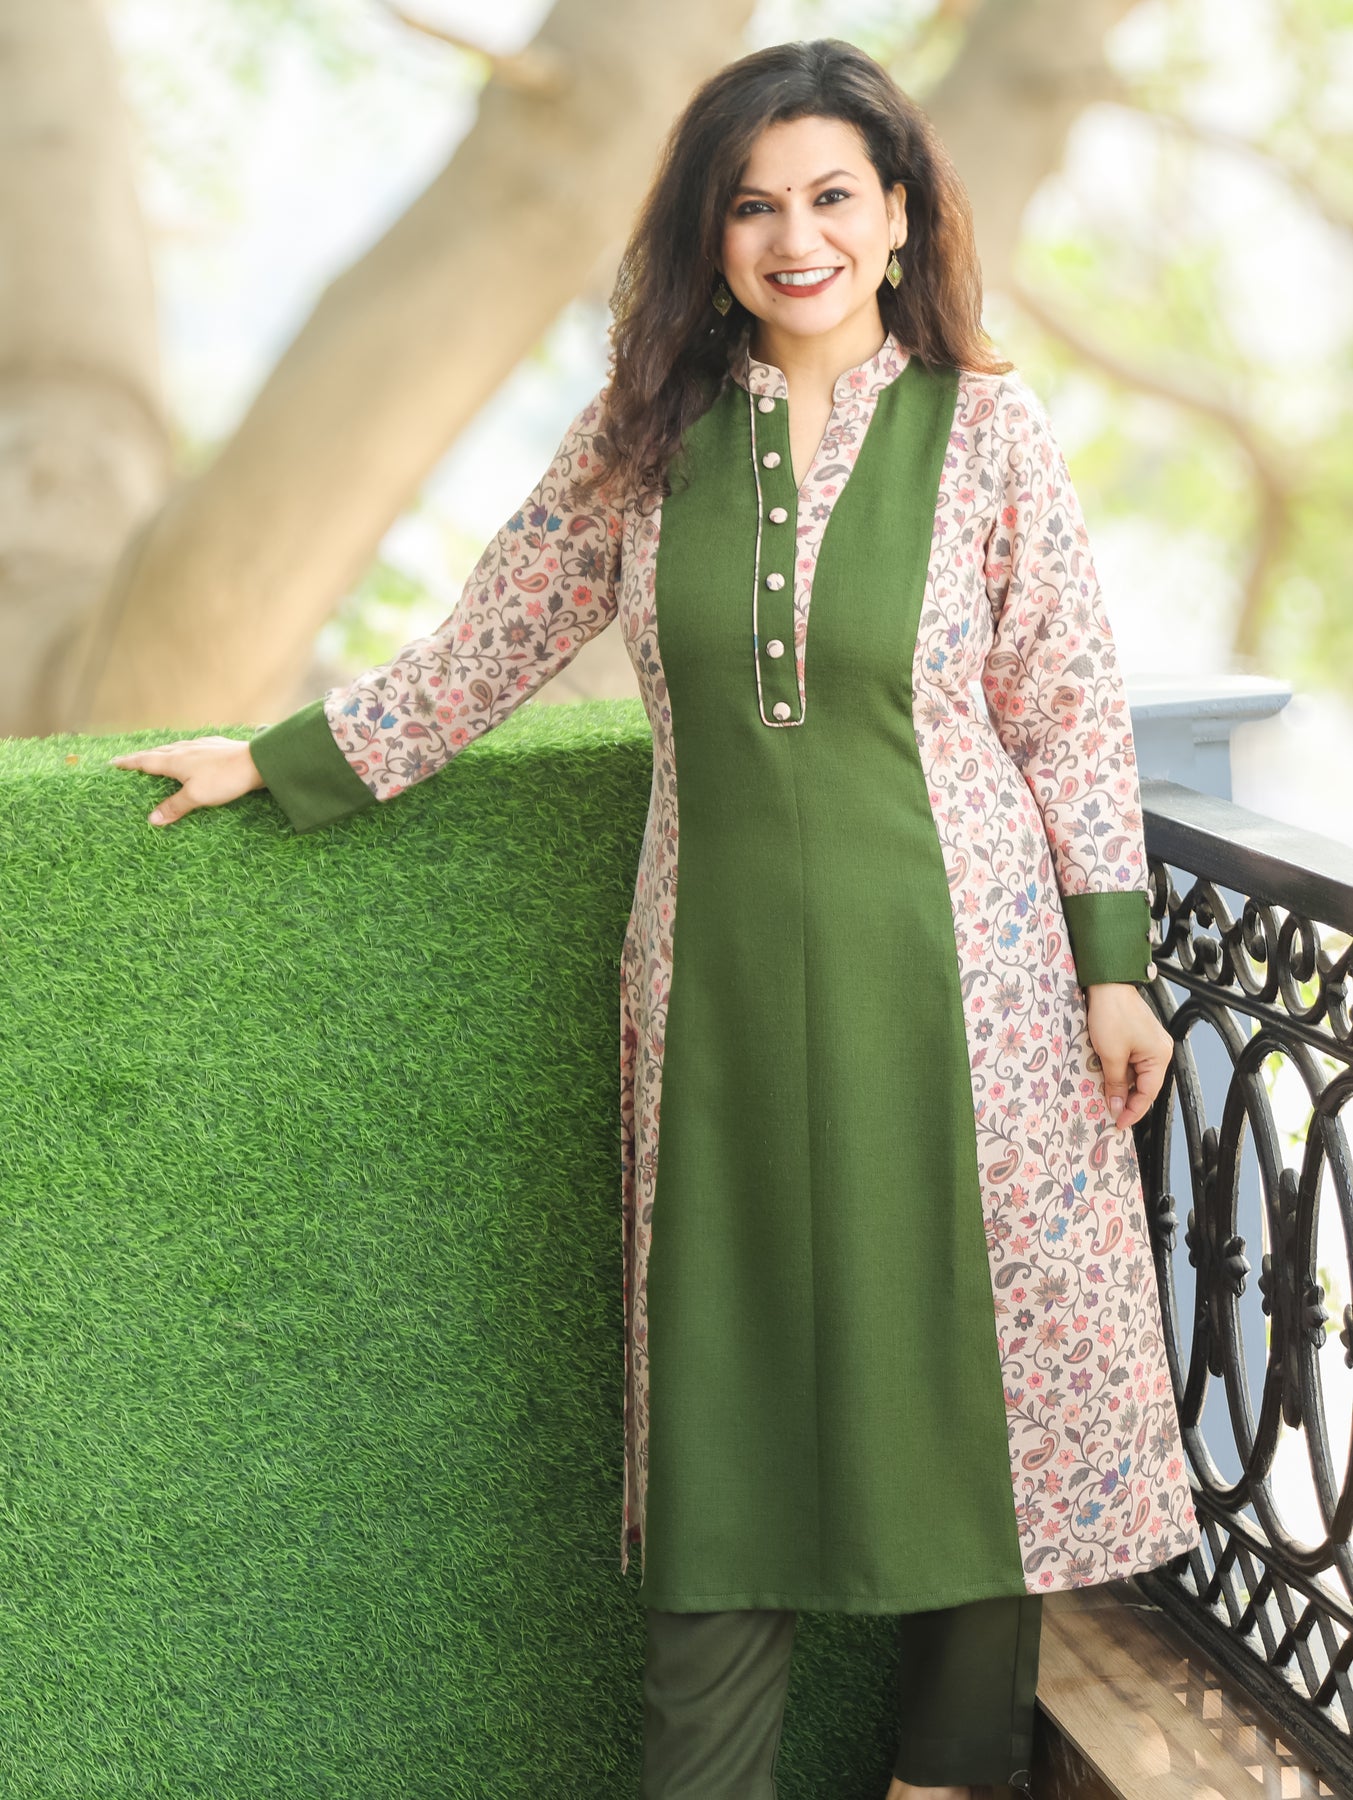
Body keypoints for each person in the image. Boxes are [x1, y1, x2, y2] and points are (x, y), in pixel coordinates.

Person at [110, 36, 1200, 1800]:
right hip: (710, 1000)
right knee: (722, 1394)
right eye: (753, 206)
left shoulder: (988, 434)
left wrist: (1110, 971)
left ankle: (945, 1775)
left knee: (983, 1376)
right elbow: (488, 639)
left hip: (977, 989)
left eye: (831, 197)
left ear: (899, 217)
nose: (796, 238)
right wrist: (282, 760)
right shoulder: (646, 445)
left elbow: (1066, 712)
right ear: (708, 237)